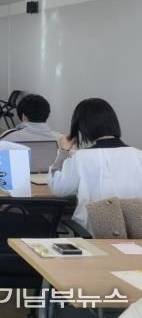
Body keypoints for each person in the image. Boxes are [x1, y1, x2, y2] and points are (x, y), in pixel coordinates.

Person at [48, 98, 142, 230]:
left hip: (95, 233)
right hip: (136, 233)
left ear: (82, 127)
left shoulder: (81, 158)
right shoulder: (139, 155)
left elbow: (59, 189)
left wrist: (63, 152)